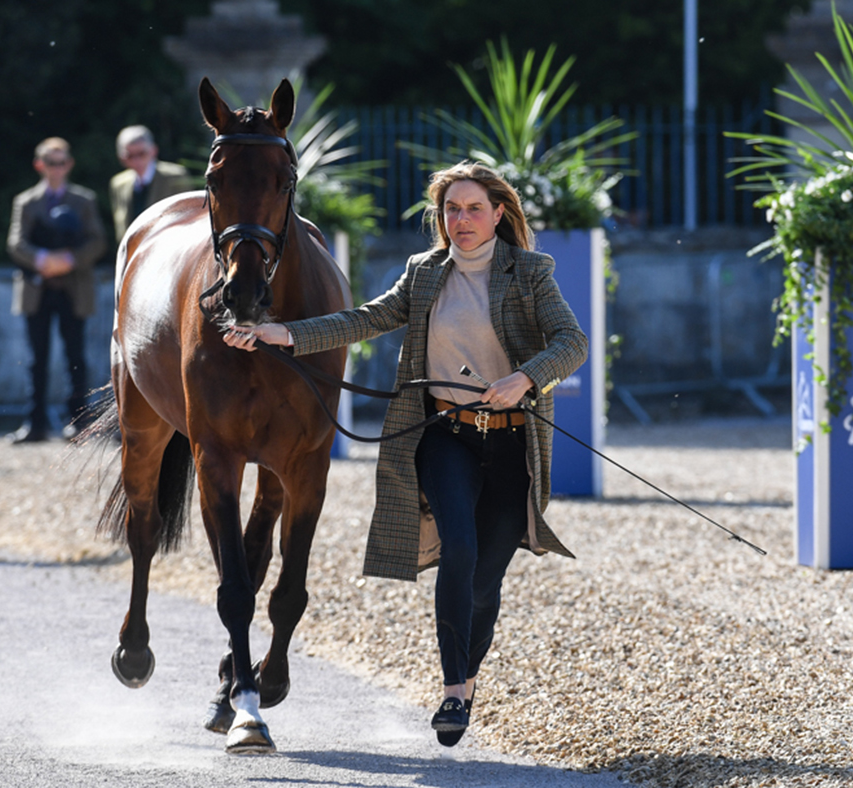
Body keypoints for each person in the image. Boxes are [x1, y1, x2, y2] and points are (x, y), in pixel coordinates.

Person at [224, 162, 587, 746]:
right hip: (445, 435)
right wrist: (283, 333)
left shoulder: (530, 273)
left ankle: (468, 679)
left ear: (498, 213)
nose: (461, 220)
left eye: (473, 209)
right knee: (459, 551)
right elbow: (366, 318)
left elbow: (573, 342)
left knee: (484, 581)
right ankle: (451, 691)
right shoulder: (424, 273)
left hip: (513, 442)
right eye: (451, 210)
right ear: (439, 218)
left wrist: (525, 378)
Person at [6, 137, 107, 443]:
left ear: (69, 164)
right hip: (37, 288)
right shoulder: (26, 201)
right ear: (40, 165)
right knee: (36, 358)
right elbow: (15, 242)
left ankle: (78, 422)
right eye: (51, 162)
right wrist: (42, 260)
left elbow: (98, 241)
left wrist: (69, 260)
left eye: (62, 162)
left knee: (75, 357)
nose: (57, 168)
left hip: (72, 288)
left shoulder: (84, 200)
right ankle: (34, 424)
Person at [108, 125, 190, 245]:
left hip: (170, 249)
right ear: (121, 157)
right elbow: (121, 227)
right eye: (130, 155)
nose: (136, 161)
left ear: (153, 151)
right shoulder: (118, 183)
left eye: (141, 154)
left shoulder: (175, 177)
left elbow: (187, 217)